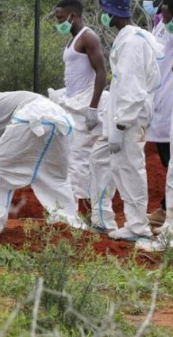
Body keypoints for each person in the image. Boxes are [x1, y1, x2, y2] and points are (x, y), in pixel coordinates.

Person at [0, 91, 84, 244]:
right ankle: (69, 227)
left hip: (31, 117)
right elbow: (3, 148)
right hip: (60, 118)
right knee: (55, 177)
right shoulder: (5, 102)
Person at [99, 0, 163, 241]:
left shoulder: (132, 42)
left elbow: (132, 90)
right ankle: (134, 222)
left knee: (131, 168)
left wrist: (120, 125)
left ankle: (139, 228)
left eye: (105, 12)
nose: (104, 17)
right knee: (122, 168)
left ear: (112, 12)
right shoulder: (129, 39)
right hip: (127, 116)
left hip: (130, 118)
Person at [52, 0, 117, 233]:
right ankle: (80, 216)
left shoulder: (88, 38)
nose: (57, 22)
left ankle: (86, 216)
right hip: (74, 106)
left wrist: (93, 107)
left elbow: (101, 73)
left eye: (60, 18)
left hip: (86, 107)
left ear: (72, 15)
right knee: (76, 162)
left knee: (82, 162)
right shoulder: (72, 41)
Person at [138, 0, 173, 252]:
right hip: (159, 102)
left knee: (170, 161)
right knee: (166, 160)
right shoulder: (160, 26)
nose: (156, 9)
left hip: (168, 101)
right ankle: (165, 212)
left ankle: (167, 218)